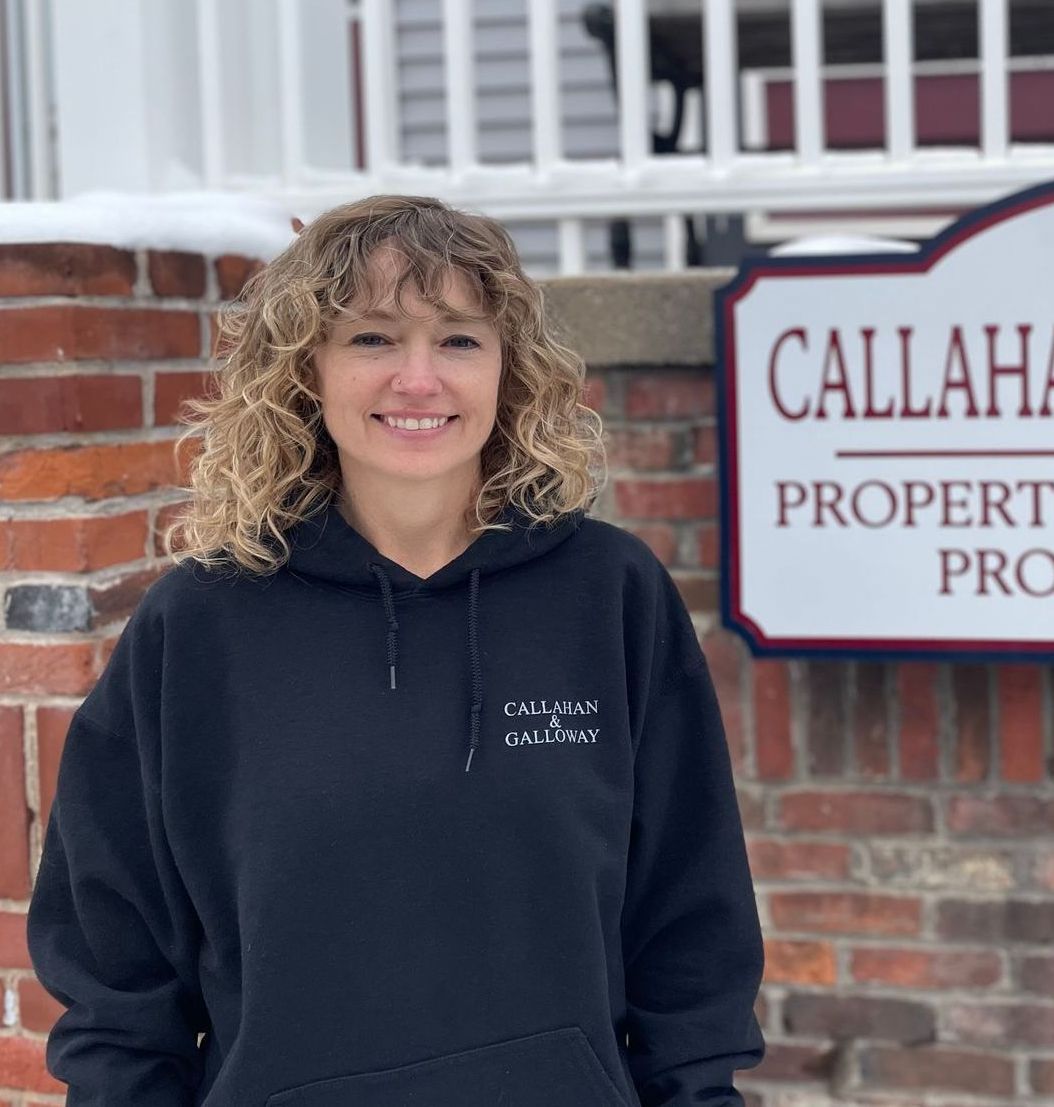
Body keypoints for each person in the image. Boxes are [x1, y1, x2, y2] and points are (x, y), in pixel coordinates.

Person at [26, 195, 766, 1106]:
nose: (419, 379)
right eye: (372, 338)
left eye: (458, 339)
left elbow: (690, 926)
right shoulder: (200, 625)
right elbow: (117, 971)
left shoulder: (609, 597)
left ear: (510, 370)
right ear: (307, 371)